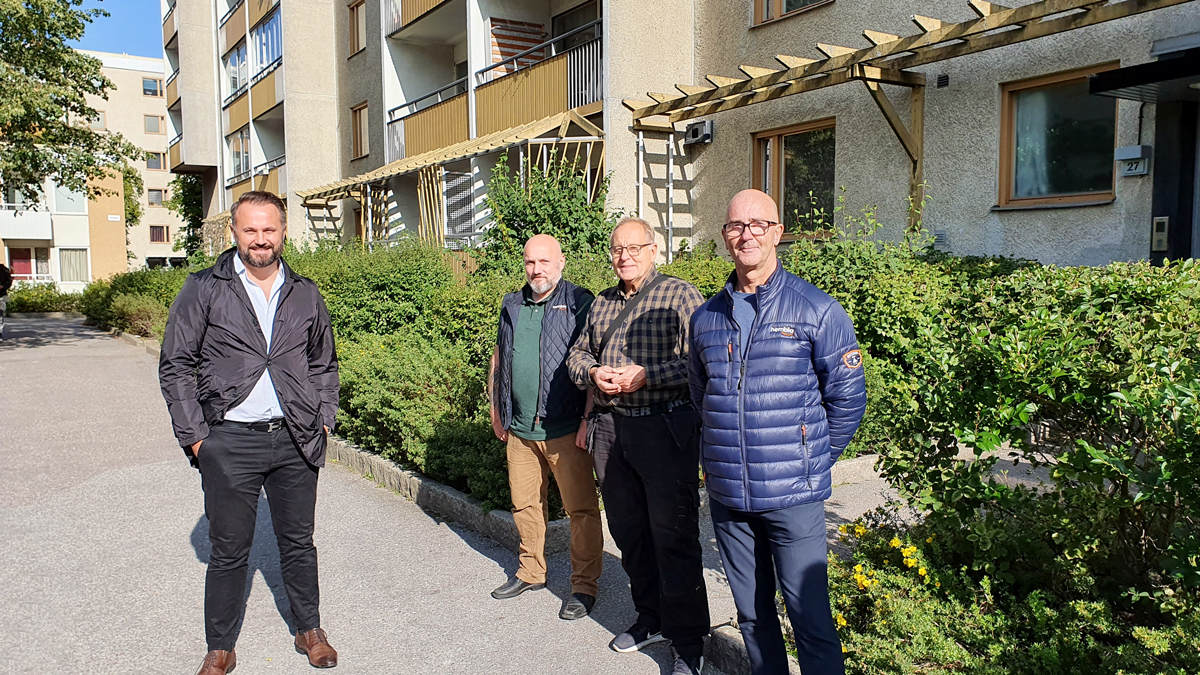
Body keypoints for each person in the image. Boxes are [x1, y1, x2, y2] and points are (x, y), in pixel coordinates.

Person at [159, 191, 341, 675]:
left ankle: (310, 629)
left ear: (283, 232)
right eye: (250, 230)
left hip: (295, 437)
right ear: (234, 233)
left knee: (299, 542)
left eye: (269, 229)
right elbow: (176, 363)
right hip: (229, 439)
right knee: (228, 549)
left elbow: (323, 360)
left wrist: (324, 415)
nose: (260, 239)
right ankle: (220, 646)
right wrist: (196, 436)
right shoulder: (204, 287)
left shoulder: (304, 291)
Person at [688, 189, 867, 675]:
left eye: (757, 224)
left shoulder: (817, 310)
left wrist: (811, 460)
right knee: (752, 617)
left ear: (777, 233)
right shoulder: (705, 319)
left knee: (809, 618)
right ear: (724, 237)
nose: (745, 234)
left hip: (795, 496)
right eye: (734, 226)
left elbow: (848, 399)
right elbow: (699, 396)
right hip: (729, 498)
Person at [566, 217, 710, 675]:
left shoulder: (681, 295)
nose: (624, 256)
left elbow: (701, 363)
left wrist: (650, 375)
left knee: (674, 537)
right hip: (613, 429)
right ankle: (651, 618)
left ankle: (689, 643)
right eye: (616, 249)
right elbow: (577, 354)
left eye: (633, 248)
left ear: (653, 249)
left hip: (665, 429)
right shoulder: (603, 302)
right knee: (629, 533)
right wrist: (593, 374)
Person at [487, 234, 604, 620]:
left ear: (561, 262)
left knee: (580, 510)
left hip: (565, 430)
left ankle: (584, 586)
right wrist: (496, 409)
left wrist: (587, 419)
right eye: (530, 262)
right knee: (524, 505)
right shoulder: (512, 303)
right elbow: (499, 357)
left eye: (544, 262)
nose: (536, 270)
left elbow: (593, 361)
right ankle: (531, 571)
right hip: (520, 430)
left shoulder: (579, 302)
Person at [0, 262, 11, 340]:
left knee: (0, 316)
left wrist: (2, 286)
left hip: (1, 295)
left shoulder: (4, 270)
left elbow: (9, 281)